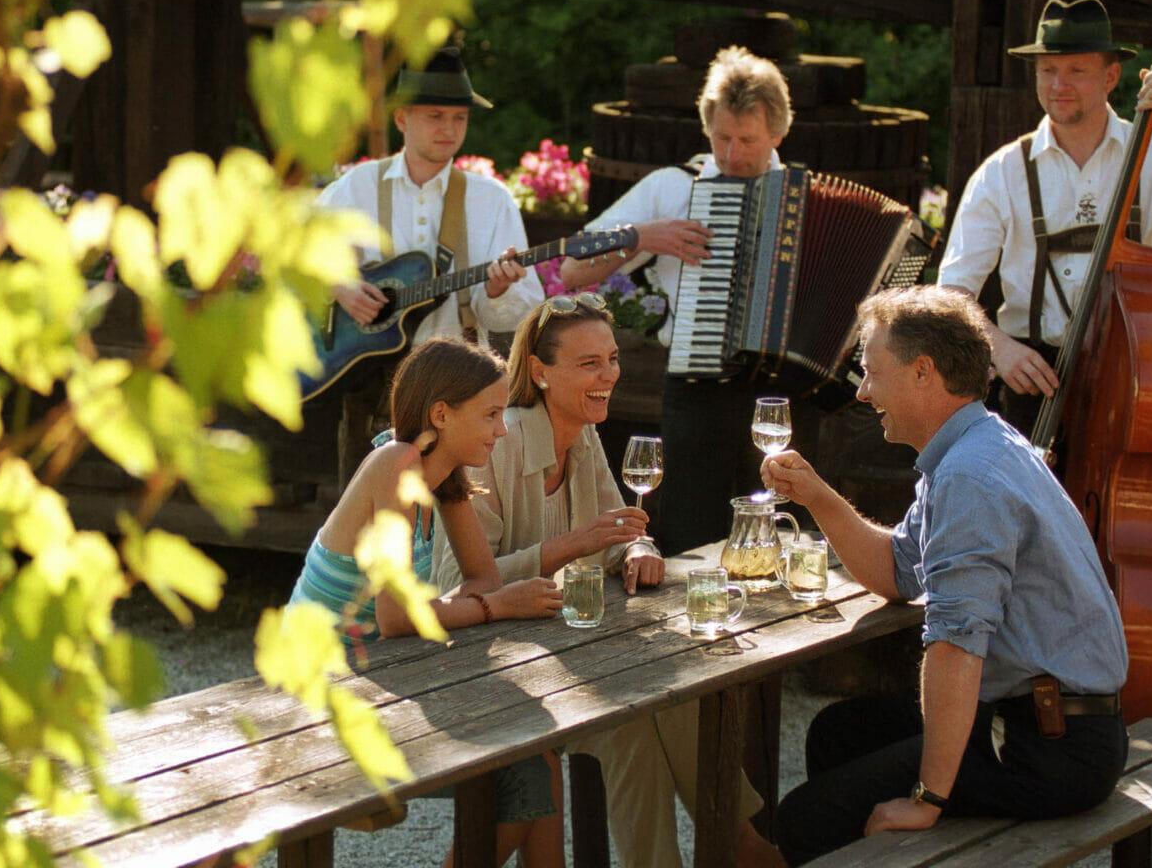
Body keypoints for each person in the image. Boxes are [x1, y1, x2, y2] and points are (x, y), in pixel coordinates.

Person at [759, 286, 1130, 862]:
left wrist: (927, 798)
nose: (862, 392)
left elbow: (956, 646)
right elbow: (900, 572)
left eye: (871, 373)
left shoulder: (970, 476)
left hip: (1047, 747)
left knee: (805, 822)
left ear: (923, 373)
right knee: (839, 732)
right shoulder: (978, 443)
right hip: (1045, 723)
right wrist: (815, 496)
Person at [435, 294, 788, 868]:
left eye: (613, 358)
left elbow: (619, 529)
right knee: (635, 713)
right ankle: (742, 848)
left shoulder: (581, 433)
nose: (609, 376)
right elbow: (459, 584)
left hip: (563, 648)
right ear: (540, 373)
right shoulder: (493, 446)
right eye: (589, 363)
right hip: (492, 665)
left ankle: (737, 842)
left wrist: (638, 550)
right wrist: (577, 545)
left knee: (672, 694)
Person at [288, 337, 565, 868]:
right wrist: (495, 607)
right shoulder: (394, 463)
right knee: (528, 765)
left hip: (374, 677)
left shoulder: (443, 478)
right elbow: (397, 619)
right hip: (315, 694)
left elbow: (483, 578)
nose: (501, 430)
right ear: (442, 413)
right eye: (490, 415)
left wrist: (474, 603)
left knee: (538, 757)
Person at [937, 0, 1152, 434]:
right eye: (1048, 70)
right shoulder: (1002, 172)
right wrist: (999, 348)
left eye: (1076, 70)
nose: (1059, 83)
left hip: (1140, 383)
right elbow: (950, 294)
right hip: (1032, 390)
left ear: (1111, 76)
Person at [561, 44, 804, 554]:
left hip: (788, 393)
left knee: (779, 537)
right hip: (697, 392)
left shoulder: (807, 201)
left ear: (778, 135)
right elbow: (573, 267)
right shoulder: (674, 186)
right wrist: (640, 237)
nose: (733, 153)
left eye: (748, 140)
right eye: (722, 137)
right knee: (691, 537)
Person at [317, 45, 544, 486]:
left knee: (451, 528)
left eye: (459, 118)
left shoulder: (490, 199)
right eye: (435, 116)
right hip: (369, 392)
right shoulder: (359, 187)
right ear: (401, 119)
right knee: (364, 533)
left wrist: (496, 292)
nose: (450, 129)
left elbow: (523, 311)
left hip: (458, 395)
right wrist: (341, 285)